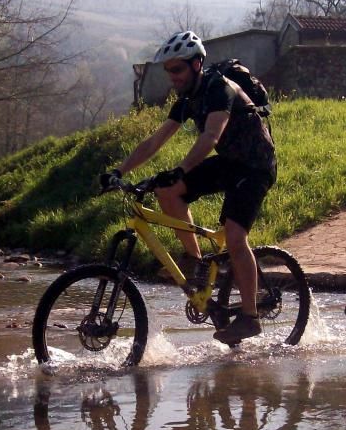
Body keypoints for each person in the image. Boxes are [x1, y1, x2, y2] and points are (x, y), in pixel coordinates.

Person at [100, 30, 277, 345]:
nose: (172, 76)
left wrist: (181, 169)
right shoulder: (187, 98)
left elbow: (210, 136)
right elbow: (157, 139)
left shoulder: (219, 89)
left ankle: (250, 318)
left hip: (255, 166)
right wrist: (119, 170)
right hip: (228, 163)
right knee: (168, 191)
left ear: (196, 64)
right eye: (168, 70)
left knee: (236, 238)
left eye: (177, 69)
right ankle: (195, 263)